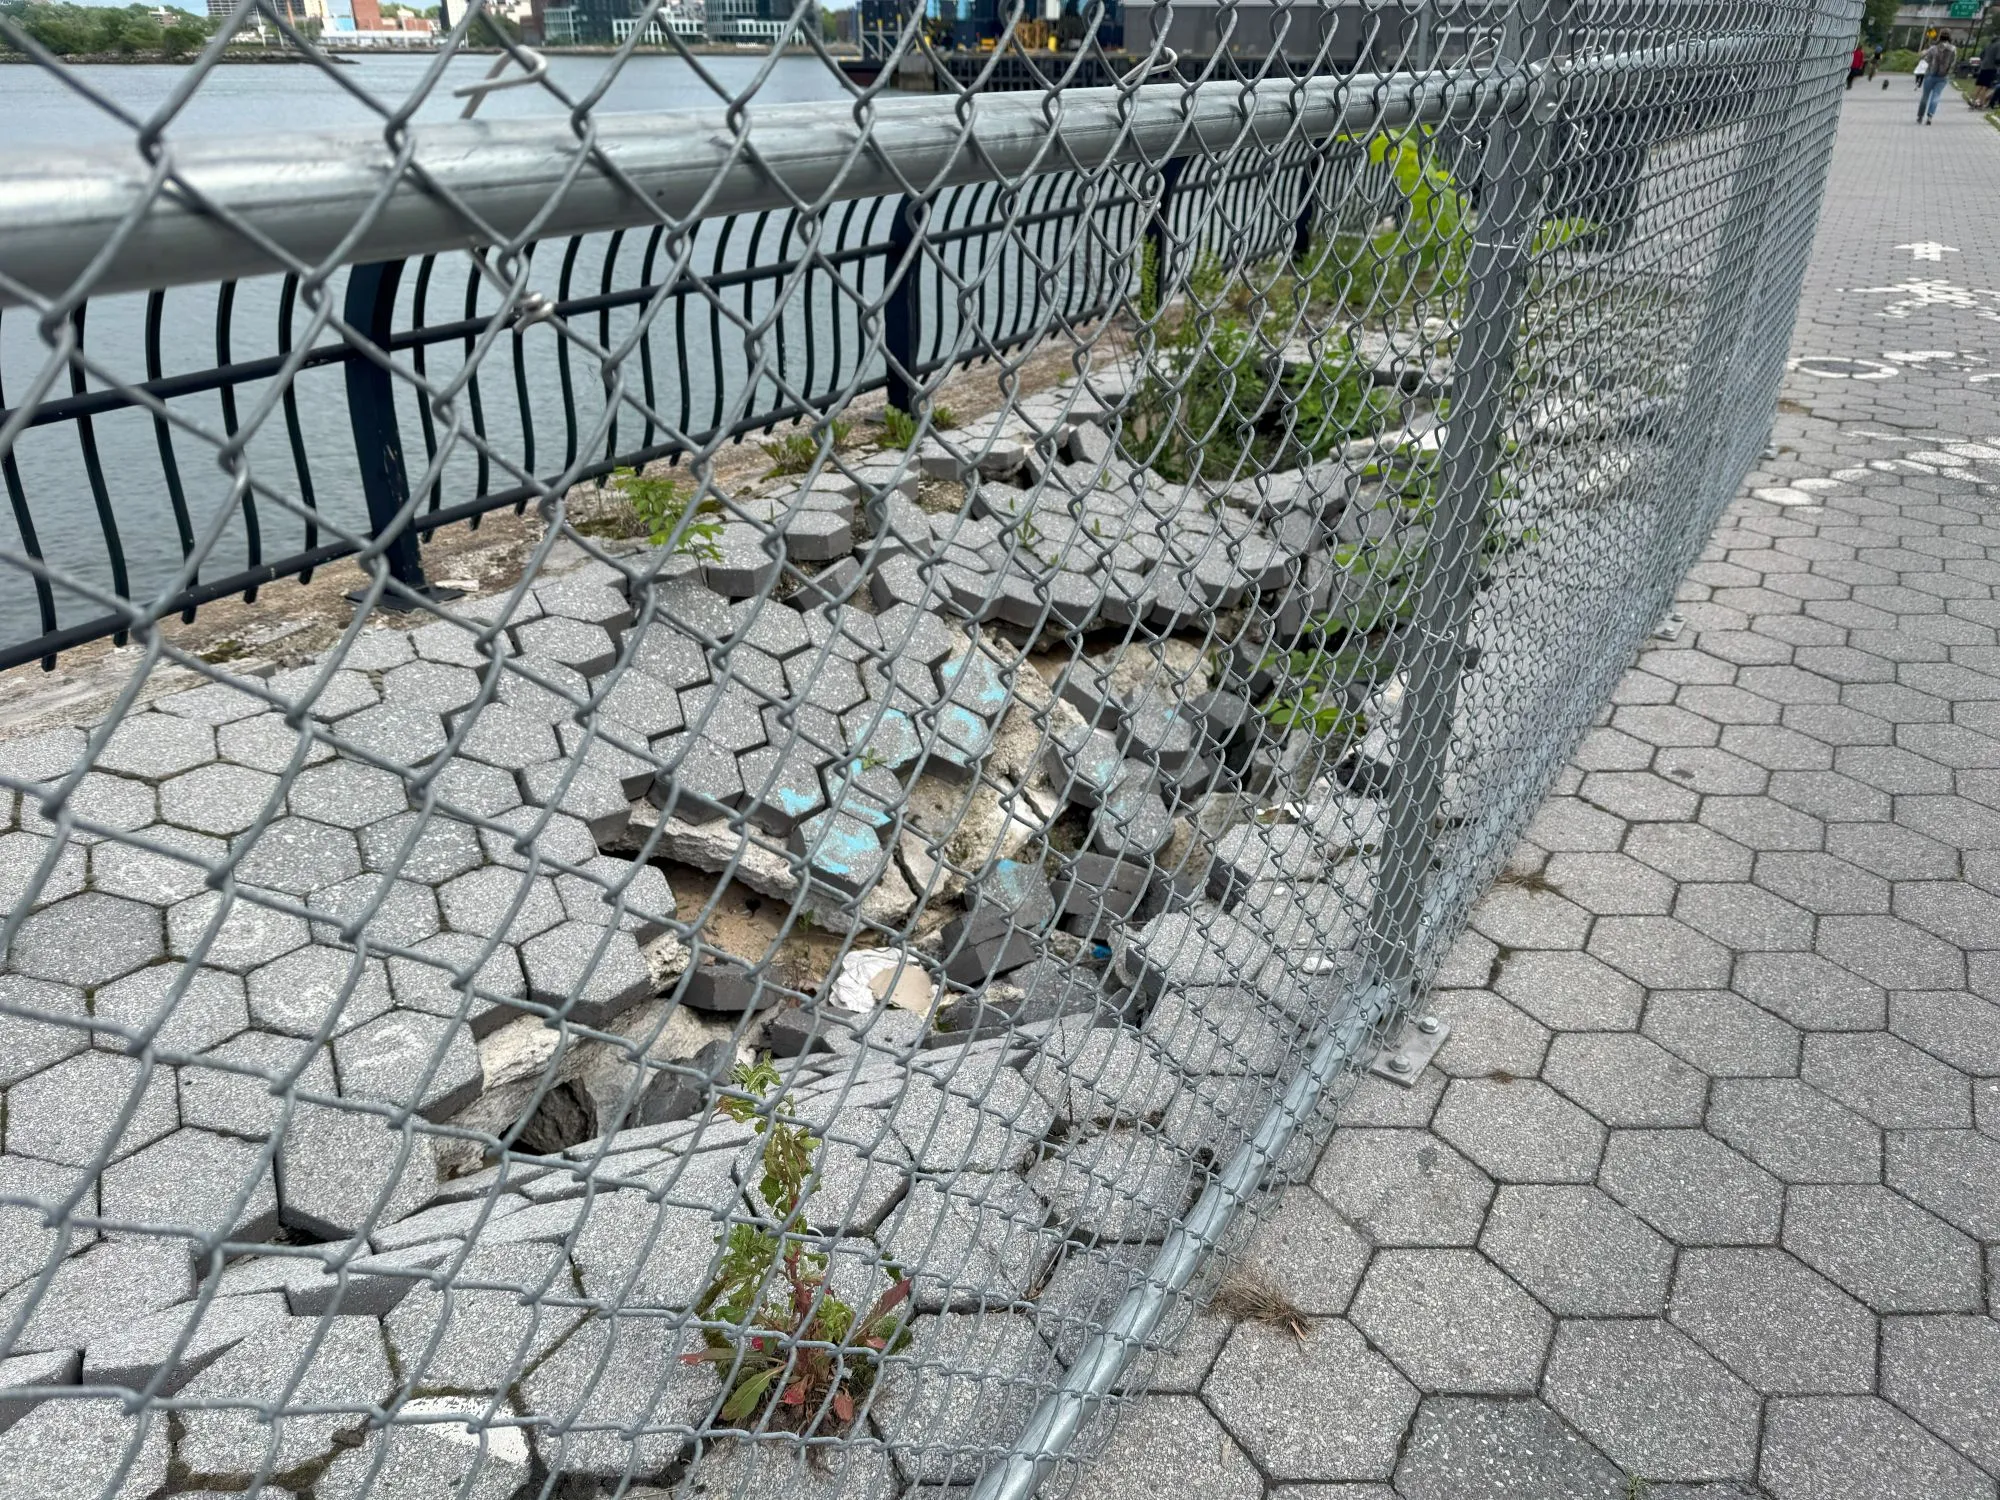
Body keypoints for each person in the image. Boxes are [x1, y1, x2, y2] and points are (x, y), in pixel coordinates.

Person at [1918, 36, 1957, 123]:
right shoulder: (1953, 49)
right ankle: (1930, 116)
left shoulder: (1933, 48)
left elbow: (1924, 57)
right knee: (1936, 95)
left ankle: (1920, 116)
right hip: (1943, 76)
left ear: (1940, 38)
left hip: (1930, 74)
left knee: (1925, 96)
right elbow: (1953, 62)